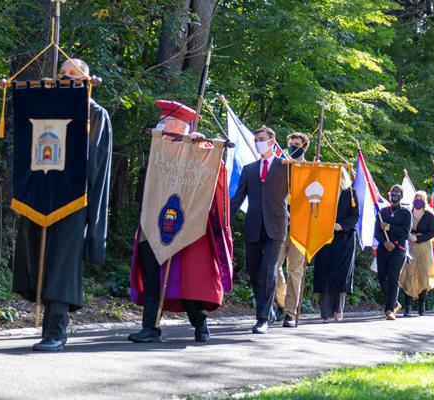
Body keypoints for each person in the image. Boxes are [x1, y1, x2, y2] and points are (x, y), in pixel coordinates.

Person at [11, 59, 113, 351]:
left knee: (62, 264)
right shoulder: (48, 108)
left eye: (75, 75)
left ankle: (56, 331)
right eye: (64, 74)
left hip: (73, 199)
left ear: (88, 80)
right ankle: (47, 326)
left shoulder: (94, 114)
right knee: (40, 258)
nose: (68, 78)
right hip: (41, 194)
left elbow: (94, 161)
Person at [128, 100, 233, 343]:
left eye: (167, 122)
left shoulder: (198, 147)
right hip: (152, 221)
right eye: (162, 121)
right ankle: (150, 329)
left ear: (181, 126)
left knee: (188, 277)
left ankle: (200, 322)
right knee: (153, 276)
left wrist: (201, 147)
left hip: (189, 225)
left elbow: (215, 169)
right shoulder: (157, 148)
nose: (162, 125)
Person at [230, 126, 289, 334]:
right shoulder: (249, 169)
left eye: (261, 139)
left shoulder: (286, 167)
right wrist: (223, 220)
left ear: (272, 141)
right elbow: (237, 199)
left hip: (276, 227)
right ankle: (268, 307)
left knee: (268, 270)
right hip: (254, 227)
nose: (257, 143)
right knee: (254, 271)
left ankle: (262, 319)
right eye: (255, 140)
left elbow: (302, 188)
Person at [313, 168, 359, 323]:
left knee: (339, 275)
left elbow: (355, 216)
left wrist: (341, 225)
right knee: (324, 273)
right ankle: (326, 313)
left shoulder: (351, 193)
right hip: (325, 237)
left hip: (344, 238)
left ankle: (338, 309)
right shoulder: (324, 192)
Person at [273, 132, 309, 327]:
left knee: (295, 270)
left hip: (300, 227)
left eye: (296, 144)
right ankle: (280, 299)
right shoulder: (280, 167)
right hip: (279, 225)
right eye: (290, 144)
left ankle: (289, 311)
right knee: (273, 267)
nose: (292, 147)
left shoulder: (312, 170)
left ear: (304, 146)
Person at [374, 185, 412, 321]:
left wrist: (390, 227)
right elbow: (377, 232)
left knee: (392, 278)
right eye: (393, 192)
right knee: (381, 277)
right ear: (389, 194)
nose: (395, 194)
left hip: (399, 250)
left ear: (401, 196)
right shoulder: (382, 212)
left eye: (398, 192)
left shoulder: (406, 214)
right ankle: (395, 302)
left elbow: (405, 233)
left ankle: (389, 309)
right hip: (383, 248)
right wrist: (385, 243)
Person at [399, 191, 434, 317]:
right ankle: (408, 307)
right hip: (410, 247)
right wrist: (408, 236)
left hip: (425, 247)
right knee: (409, 274)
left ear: (424, 201)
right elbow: (402, 228)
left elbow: (433, 233)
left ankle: (422, 306)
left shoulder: (429, 215)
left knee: (423, 274)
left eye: (420, 199)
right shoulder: (407, 213)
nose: (418, 200)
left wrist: (419, 238)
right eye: (416, 198)